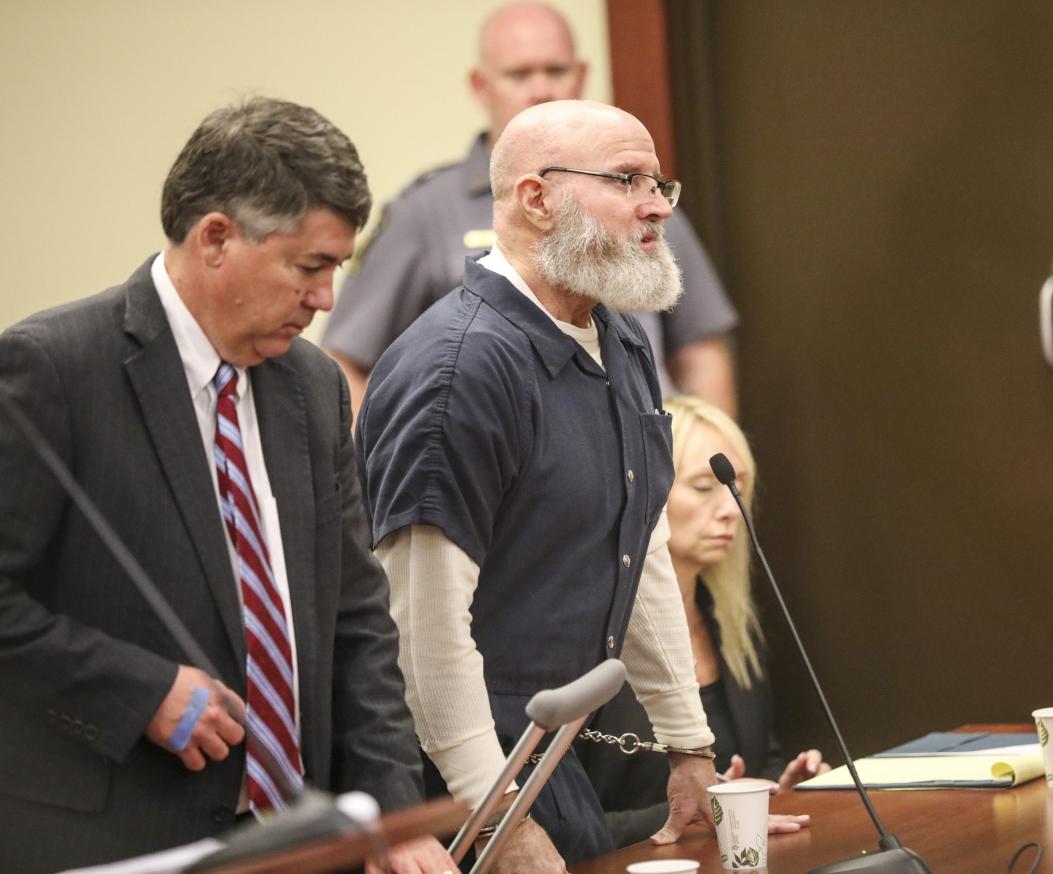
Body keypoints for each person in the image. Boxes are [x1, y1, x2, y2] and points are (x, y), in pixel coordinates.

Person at [0, 98, 455, 874]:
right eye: (309, 266)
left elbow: (357, 618)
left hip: (302, 839)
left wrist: (398, 814)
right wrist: (135, 690)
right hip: (117, 838)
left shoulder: (311, 385)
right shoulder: (53, 367)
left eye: (337, 268)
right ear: (216, 237)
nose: (327, 300)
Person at [357, 99, 807, 871]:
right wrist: (495, 813)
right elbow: (423, 632)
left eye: (659, 182)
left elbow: (644, 552)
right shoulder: (458, 372)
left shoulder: (620, 336)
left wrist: (688, 743)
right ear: (536, 199)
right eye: (628, 180)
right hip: (460, 772)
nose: (657, 206)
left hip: (548, 751)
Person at [322, 1, 739, 423]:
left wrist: (704, 474)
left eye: (556, 71)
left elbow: (700, 350)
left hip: (645, 458)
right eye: (519, 74)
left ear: (580, 76)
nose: (540, 88)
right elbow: (349, 361)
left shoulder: (642, 199)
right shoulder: (425, 211)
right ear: (481, 86)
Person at [579, 395, 830, 847]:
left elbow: (756, 759)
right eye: (701, 486)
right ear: (643, 491)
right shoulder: (591, 643)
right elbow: (561, 829)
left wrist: (777, 787)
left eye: (735, 488)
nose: (732, 509)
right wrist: (699, 810)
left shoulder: (731, 628)